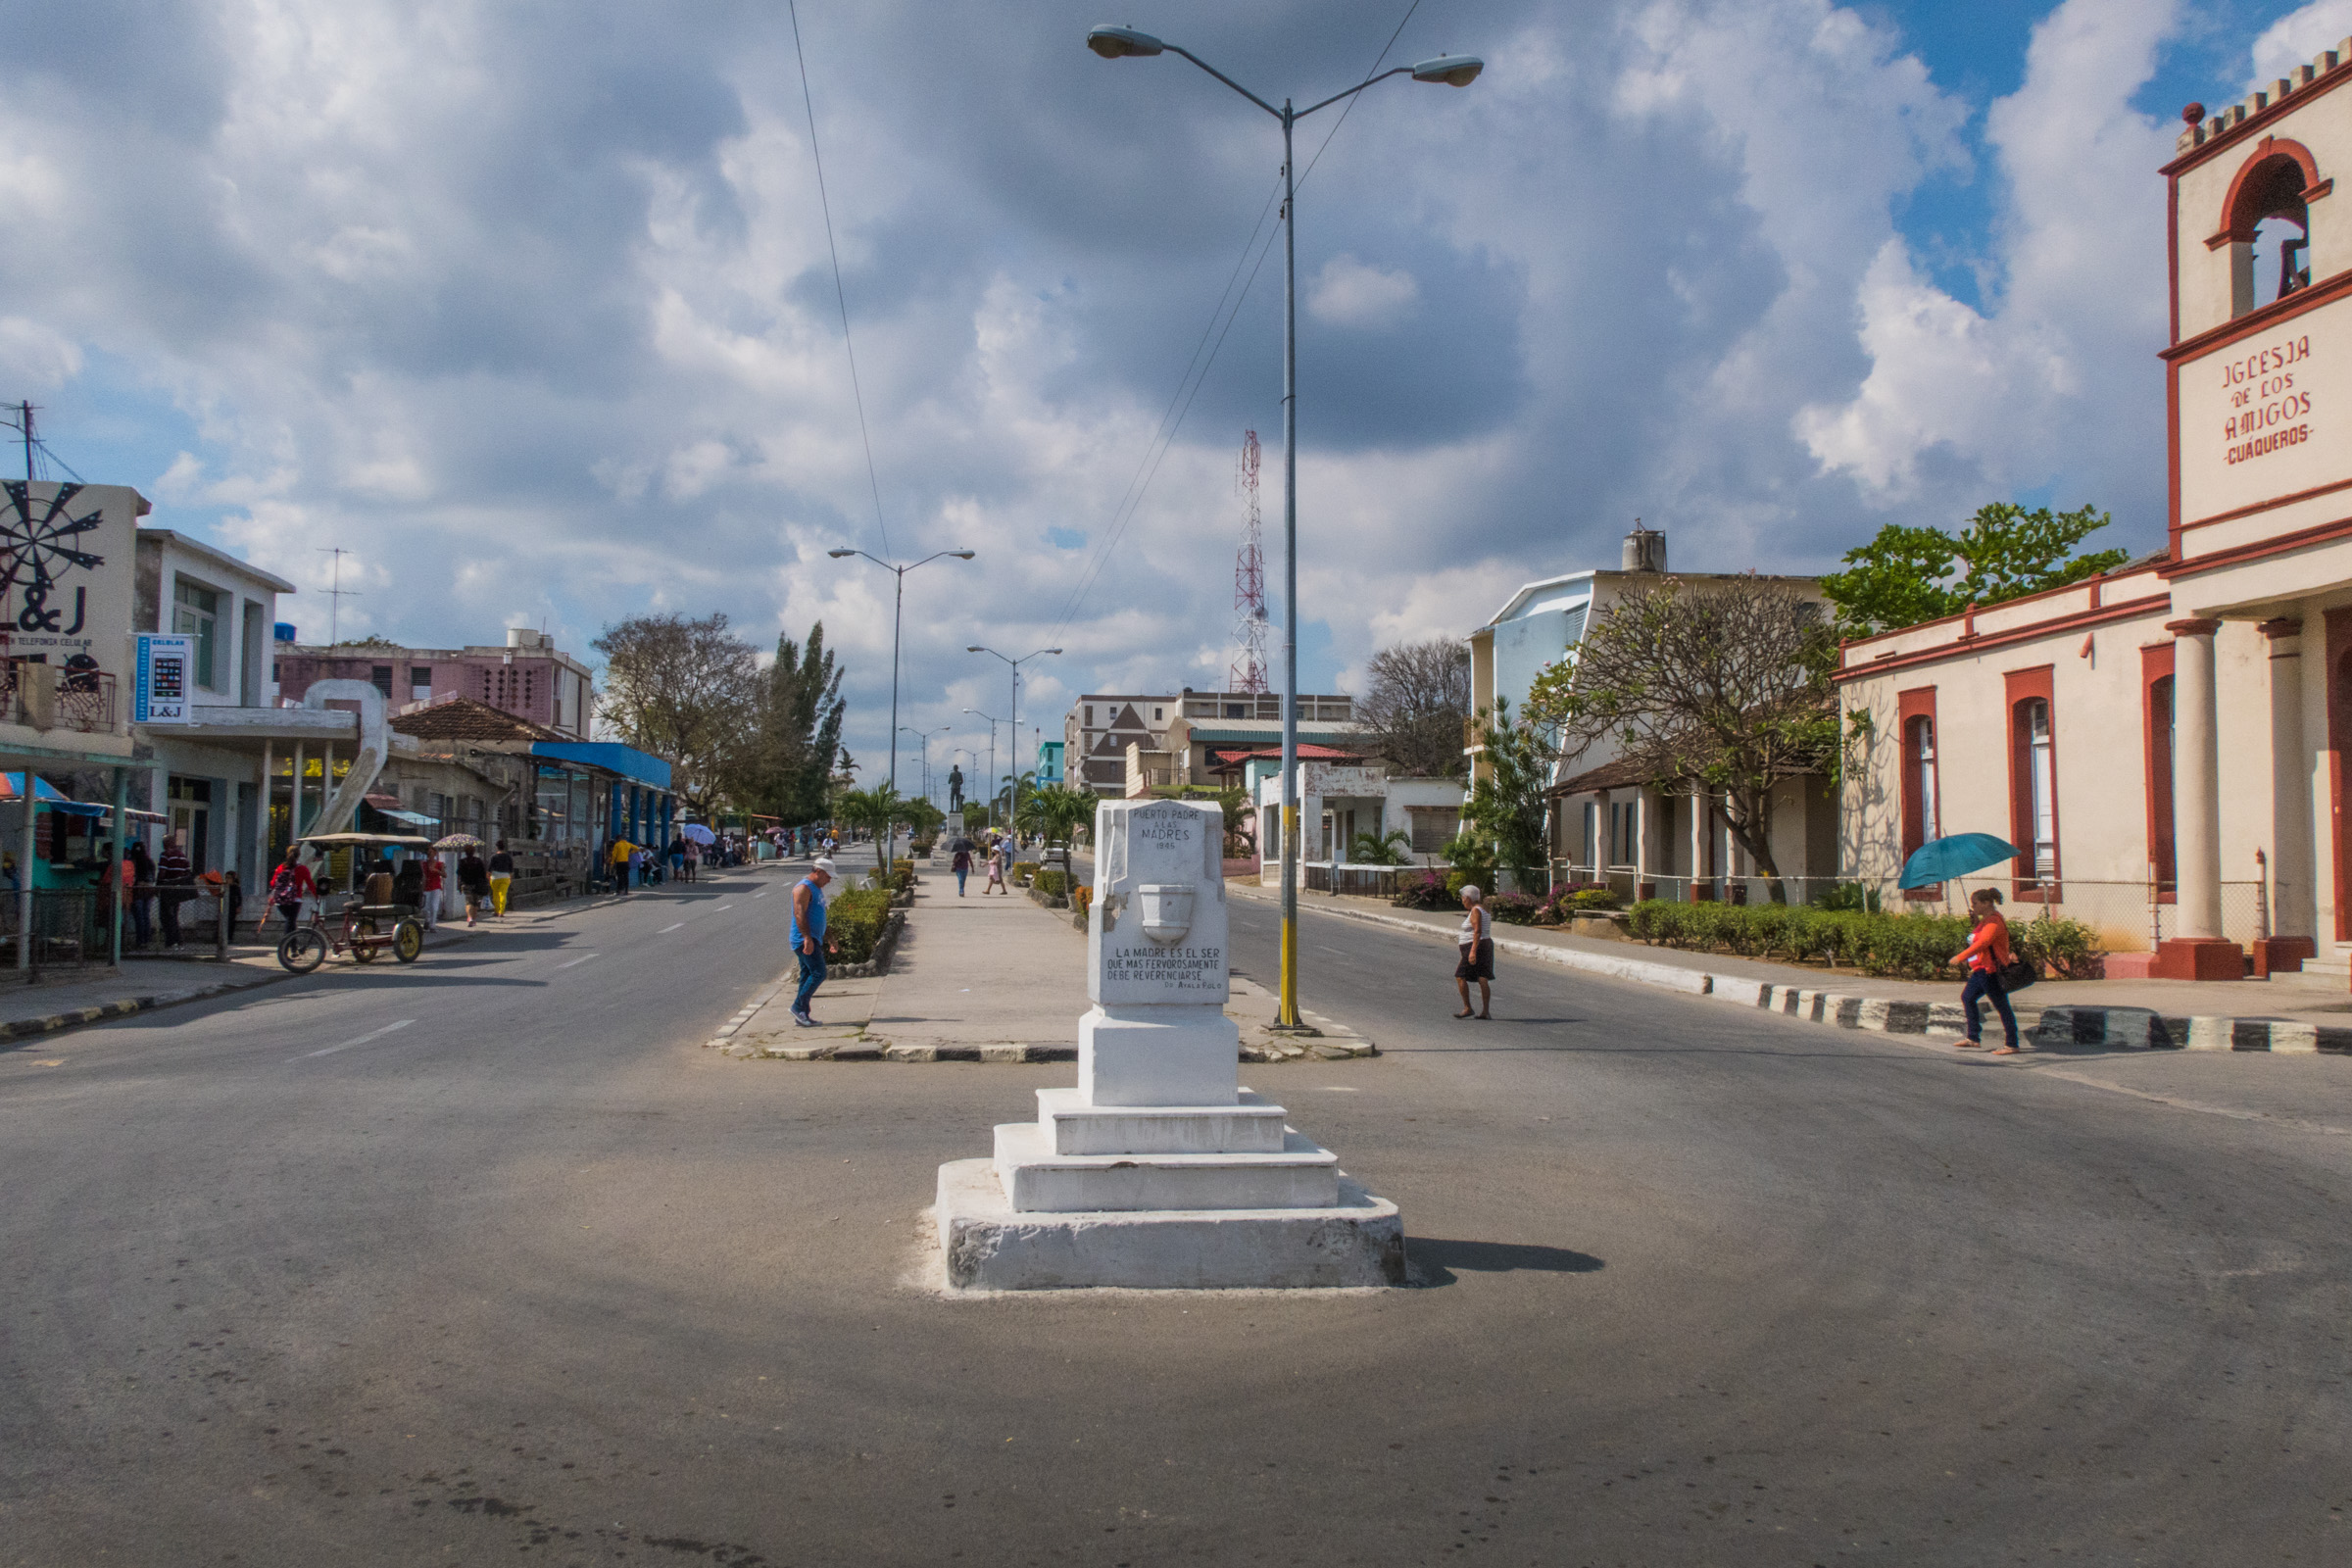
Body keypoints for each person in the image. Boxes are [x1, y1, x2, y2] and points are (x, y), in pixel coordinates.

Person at [1957, 887, 2021, 1054]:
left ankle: (2012, 1043)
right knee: (1968, 997)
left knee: (2001, 1005)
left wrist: (1960, 957)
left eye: (1976, 903)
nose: (1973, 907)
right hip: (1981, 969)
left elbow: (1984, 942)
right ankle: (1973, 1037)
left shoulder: (1994, 921)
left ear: (1986, 903)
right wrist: (1977, 924)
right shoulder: (1986, 921)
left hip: (1990, 970)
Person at [790, 857, 839, 1026]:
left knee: (807, 975)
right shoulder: (803, 888)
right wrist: (806, 938)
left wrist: (830, 938)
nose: (829, 880)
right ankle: (797, 1007)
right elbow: (799, 914)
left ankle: (802, 1013)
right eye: (827, 876)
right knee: (819, 972)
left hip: (814, 938)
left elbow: (821, 916)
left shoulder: (817, 889)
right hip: (803, 939)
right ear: (818, 871)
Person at [1454, 883, 1494, 1019]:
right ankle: (1485, 1012)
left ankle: (1467, 1007)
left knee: (1460, 975)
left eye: (1463, 898)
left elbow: (1477, 931)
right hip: (1485, 944)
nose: (1462, 900)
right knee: (1482, 977)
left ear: (1469, 898)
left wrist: (1472, 951)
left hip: (1475, 945)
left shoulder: (1476, 911)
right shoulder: (1483, 909)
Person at [268, 845, 315, 937]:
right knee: (291, 921)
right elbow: (310, 884)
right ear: (299, 855)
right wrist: (317, 895)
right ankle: (285, 946)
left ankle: (292, 947)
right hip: (295, 899)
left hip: (280, 900)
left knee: (290, 922)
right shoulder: (302, 869)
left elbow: (273, 884)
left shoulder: (281, 867)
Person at [157, 833, 191, 948]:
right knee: (174, 915)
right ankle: (178, 939)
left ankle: (171, 940)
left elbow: (162, 873)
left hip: (167, 888)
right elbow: (188, 871)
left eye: (163, 842)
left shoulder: (165, 855)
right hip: (178, 889)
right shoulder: (182, 855)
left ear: (167, 843)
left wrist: (158, 886)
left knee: (165, 915)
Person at [457, 845, 491, 927]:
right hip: (477, 885)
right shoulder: (478, 861)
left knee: (468, 902)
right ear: (473, 852)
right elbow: (483, 873)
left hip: (466, 884)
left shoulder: (462, 861)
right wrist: (486, 883)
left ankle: (470, 918)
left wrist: (458, 885)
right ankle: (474, 920)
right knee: (475, 903)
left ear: (465, 852)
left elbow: (458, 873)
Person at [488, 840, 515, 917]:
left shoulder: (493, 856)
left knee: (495, 895)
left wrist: (488, 876)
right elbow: (511, 869)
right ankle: (501, 912)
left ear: (497, 847)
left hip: (495, 877)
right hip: (505, 877)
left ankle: (496, 911)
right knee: (503, 894)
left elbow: (489, 868)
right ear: (504, 847)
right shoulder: (508, 857)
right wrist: (510, 878)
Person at [419, 852, 444, 930]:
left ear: (435, 854)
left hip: (436, 886)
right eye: (428, 854)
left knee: (434, 906)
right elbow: (422, 875)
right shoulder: (424, 864)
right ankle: (428, 919)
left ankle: (433, 925)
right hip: (426, 886)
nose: (429, 855)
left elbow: (445, 875)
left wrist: (437, 871)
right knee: (425, 907)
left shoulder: (440, 864)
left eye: (431, 853)